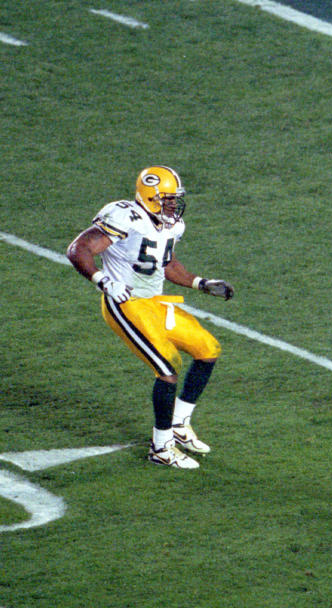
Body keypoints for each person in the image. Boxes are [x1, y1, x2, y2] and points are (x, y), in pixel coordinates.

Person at [66, 166, 235, 469]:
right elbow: (78, 249)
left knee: (207, 349)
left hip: (157, 303)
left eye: (175, 199)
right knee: (167, 368)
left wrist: (201, 283)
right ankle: (161, 448)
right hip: (126, 302)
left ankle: (179, 424)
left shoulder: (172, 225)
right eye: (167, 199)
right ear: (150, 196)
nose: (173, 205)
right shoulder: (125, 217)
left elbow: (164, 263)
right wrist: (103, 280)